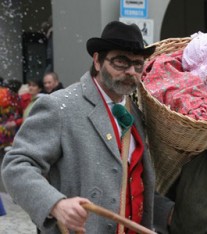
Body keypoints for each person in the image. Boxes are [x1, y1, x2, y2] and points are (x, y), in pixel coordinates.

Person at [1, 21, 171, 233]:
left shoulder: (135, 113)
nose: (131, 71)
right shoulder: (59, 106)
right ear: (97, 60)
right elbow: (16, 166)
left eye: (138, 64)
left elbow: (131, 181)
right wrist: (56, 204)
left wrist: (169, 214)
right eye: (120, 61)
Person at [0, 78, 24, 150]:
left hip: (12, 131)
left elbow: (24, 116)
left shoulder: (19, 99)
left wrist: (15, 122)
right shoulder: (6, 97)